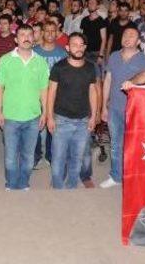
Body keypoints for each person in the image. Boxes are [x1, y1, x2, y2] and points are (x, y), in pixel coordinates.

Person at [0, 24, 49, 191]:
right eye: (22, 34)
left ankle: (24, 183)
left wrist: (45, 113)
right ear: (16, 39)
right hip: (10, 116)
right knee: (10, 156)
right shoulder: (5, 60)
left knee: (28, 154)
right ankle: (11, 183)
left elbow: (44, 90)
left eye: (29, 34)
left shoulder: (40, 62)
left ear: (34, 39)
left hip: (33, 117)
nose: (26, 37)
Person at [100, 27, 145, 188]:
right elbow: (108, 80)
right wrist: (104, 106)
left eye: (132, 35)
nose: (127, 37)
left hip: (135, 111)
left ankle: (132, 176)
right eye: (125, 35)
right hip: (115, 109)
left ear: (138, 41)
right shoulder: (115, 56)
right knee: (116, 144)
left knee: (135, 145)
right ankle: (116, 176)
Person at [47, 32, 98, 189]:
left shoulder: (90, 67)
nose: (78, 48)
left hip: (83, 120)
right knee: (58, 159)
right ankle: (57, 188)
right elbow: (51, 92)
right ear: (68, 47)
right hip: (61, 120)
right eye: (74, 45)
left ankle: (71, 190)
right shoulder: (59, 67)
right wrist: (49, 117)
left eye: (81, 45)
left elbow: (92, 92)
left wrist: (93, 117)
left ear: (85, 47)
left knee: (77, 159)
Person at [32, 20, 68, 167]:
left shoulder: (62, 52)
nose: (50, 34)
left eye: (53, 31)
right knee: (35, 127)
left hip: (56, 95)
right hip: (37, 94)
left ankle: (51, 155)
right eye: (47, 31)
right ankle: (35, 156)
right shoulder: (34, 52)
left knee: (53, 127)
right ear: (42, 33)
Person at [80, 0, 107, 66]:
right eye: (89, 3)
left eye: (93, 3)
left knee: (97, 74)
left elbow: (104, 39)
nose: (90, 5)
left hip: (96, 53)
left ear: (97, 6)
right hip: (85, 52)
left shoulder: (101, 21)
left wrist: (101, 55)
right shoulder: (84, 20)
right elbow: (82, 36)